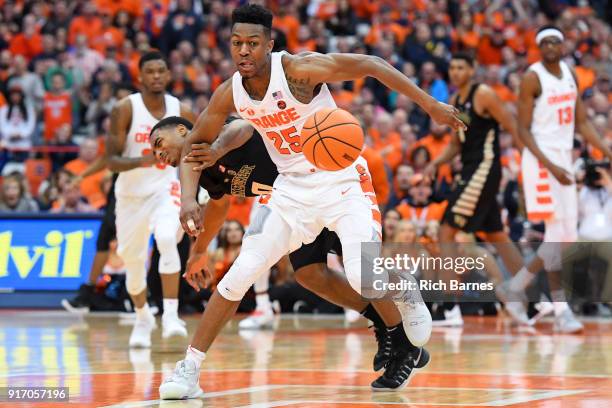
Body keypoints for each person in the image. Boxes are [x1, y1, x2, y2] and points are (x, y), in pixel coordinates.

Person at [161, 4, 464, 398]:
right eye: (237, 43)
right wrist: (188, 199)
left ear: (270, 45)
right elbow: (194, 147)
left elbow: (371, 63)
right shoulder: (229, 92)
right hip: (291, 189)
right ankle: (189, 370)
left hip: (343, 183)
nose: (244, 51)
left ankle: (403, 288)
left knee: (360, 274)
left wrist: (430, 105)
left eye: (253, 43)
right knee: (240, 273)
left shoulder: (299, 72)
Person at [149, 115, 429, 390]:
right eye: (154, 151)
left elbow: (242, 128)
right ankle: (190, 367)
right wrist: (198, 252)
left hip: (330, 184)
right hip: (291, 203)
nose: (159, 153)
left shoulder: (213, 130)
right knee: (309, 274)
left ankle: (401, 329)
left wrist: (217, 149)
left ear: (183, 130)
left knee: (362, 272)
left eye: (160, 142)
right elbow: (218, 206)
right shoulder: (201, 171)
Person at [497, 26, 612, 333]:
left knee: (563, 238)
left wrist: (606, 148)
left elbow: (583, 121)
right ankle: (561, 312)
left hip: (562, 159)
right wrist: (550, 166)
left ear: (563, 46)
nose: (550, 46)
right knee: (556, 237)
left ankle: (516, 286)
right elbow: (522, 130)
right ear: (538, 48)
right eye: (544, 42)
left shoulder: (570, 74)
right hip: (540, 160)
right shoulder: (532, 78)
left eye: (555, 41)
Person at [423, 52, 529, 325]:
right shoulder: (456, 101)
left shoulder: (483, 94)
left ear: (472, 70)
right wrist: (435, 162)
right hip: (470, 169)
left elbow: (512, 125)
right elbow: (456, 145)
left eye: (461, 67)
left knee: (447, 230)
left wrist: (527, 162)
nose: (456, 71)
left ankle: (449, 307)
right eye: (453, 67)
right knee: (496, 235)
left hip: (484, 168)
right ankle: (534, 300)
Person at [106, 50, 196, 348]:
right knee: (132, 263)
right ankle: (143, 316)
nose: (156, 76)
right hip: (130, 196)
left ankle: (171, 315)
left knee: (168, 238)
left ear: (168, 75)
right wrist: (140, 161)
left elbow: (198, 143)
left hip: (163, 189)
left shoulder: (180, 108)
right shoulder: (125, 108)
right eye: (150, 71)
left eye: (161, 70)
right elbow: (111, 161)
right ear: (140, 76)